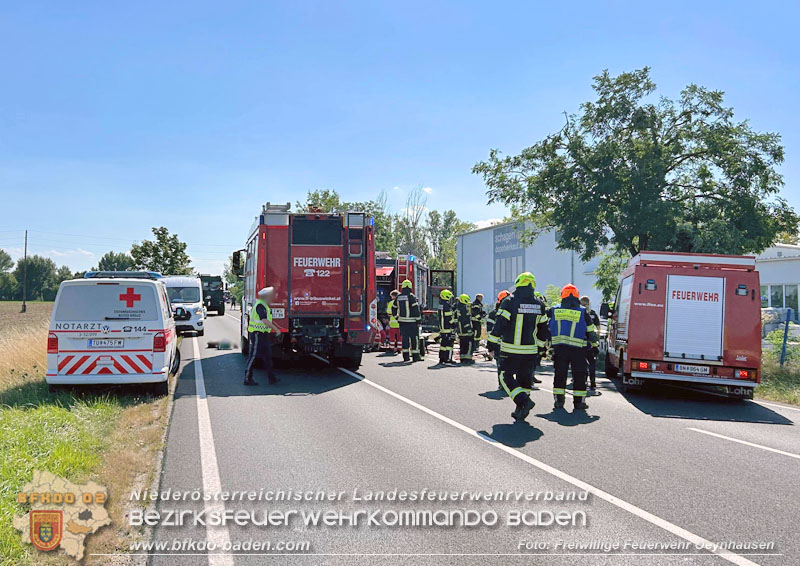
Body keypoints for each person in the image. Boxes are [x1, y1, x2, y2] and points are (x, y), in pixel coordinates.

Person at [488, 273, 549, 421]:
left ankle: (523, 402)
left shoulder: (509, 301)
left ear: (518, 283)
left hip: (510, 349)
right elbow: (543, 329)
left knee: (504, 377)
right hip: (531, 351)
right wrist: (541, 349)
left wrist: (491, 343)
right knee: (525, 380)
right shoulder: (540, 304)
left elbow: (500, 324)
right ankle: (521, 410)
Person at [549, 285, 599, 410]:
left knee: (560, 375)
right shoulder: (582, 311)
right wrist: (595, 345)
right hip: (578, 350)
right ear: (577, 296)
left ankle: (559, 401)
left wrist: (545, 346)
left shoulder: (554, 310)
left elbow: (544, 326)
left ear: (563, 295)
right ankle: (579, 403)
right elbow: (591, 331)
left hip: (560, 349)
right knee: (579, 375)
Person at [244, 287, 282, 386]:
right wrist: (276, 329)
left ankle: (272, 378)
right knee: (253, 356)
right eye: (271, 295)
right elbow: (264, 320)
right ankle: (247, 378)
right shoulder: (260, 305)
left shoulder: (264, 305)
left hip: (263, 334)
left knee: (267, 356)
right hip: (257, 334)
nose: (272, 297)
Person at [393, 280, 422, 362]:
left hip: (402, 322)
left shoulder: (398, 297)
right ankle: (415, 356)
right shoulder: (411, 297)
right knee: (414, 339)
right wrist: (419, 320)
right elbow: (416, 310)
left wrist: (396, 317)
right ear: (410, 287)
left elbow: (393, 308)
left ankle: (406, 357)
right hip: (412, 322)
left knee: (404, 339)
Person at [486, 290, 510, 387]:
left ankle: (507, 384)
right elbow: (489, 330)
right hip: (499, 344)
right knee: (501, 365)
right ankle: (503, 384)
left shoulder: (511, 311)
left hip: (508, 344)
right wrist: (491, 346)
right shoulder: (493, 314)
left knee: (506, 365)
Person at [580, 295, 601, 393]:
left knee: (583, 364)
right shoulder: (592, 314)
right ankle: (592, 383)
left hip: (581, 342)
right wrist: (597, 341)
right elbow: (598, 328)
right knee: (591, 363)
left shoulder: (579, 313)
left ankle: (584, 381)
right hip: (591, 343)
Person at [436, 289, 457, 365]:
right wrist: (454, 324)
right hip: (447, 328)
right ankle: (448, 358)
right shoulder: (447, 306)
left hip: (442, 328)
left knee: (443, 344)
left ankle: (442, 358)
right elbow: (449, 318)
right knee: (449, 345)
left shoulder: (440, 305)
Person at [455, 294, 474, 364]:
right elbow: (466, 320)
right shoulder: (464, 309)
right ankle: (468, 359)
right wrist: (469, 329)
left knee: (462, 344)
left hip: (460, 330)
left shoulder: (457, 308)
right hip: (465, 330)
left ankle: (462, 358)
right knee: (469, 344)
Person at [385, 290, 401, 354]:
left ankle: (392, 348)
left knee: (392, 337)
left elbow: (389, 313)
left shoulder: (391, 303)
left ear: (393, 296)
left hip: (393, 324)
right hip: (400, 323)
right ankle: (399, 348)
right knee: (400, 337)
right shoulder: (401, 302)